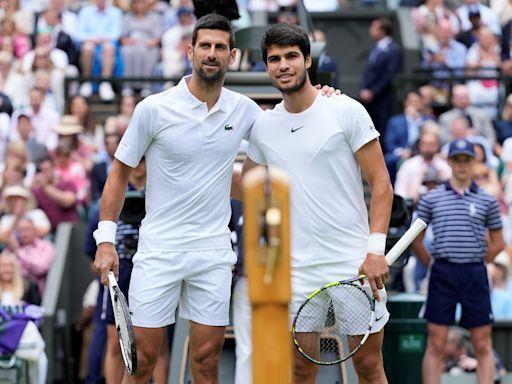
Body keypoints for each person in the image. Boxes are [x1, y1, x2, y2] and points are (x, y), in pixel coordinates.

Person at [237, 23, 393, 384]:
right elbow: (248, 186)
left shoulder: (345, 110)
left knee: (369, 369)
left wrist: (374, 250)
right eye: (274, 59)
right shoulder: (263, 127)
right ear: (266, 68)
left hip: (351, 263)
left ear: (307, 60)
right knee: (300, 370)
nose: (283, 65)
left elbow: (382, 184)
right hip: (294, 271)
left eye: (291, 56)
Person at [412, 138, 505, 384]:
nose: (462, 165)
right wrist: (432, 263)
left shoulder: (487, 200)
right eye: (457, 160)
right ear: (450, 162)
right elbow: (416, 239)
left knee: (482, 342)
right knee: (436, 342)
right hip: (443, 272)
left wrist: (481, 260)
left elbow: (498, 242)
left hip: (474, 273)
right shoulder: (432, 198)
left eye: (466, 160)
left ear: (474, 162)